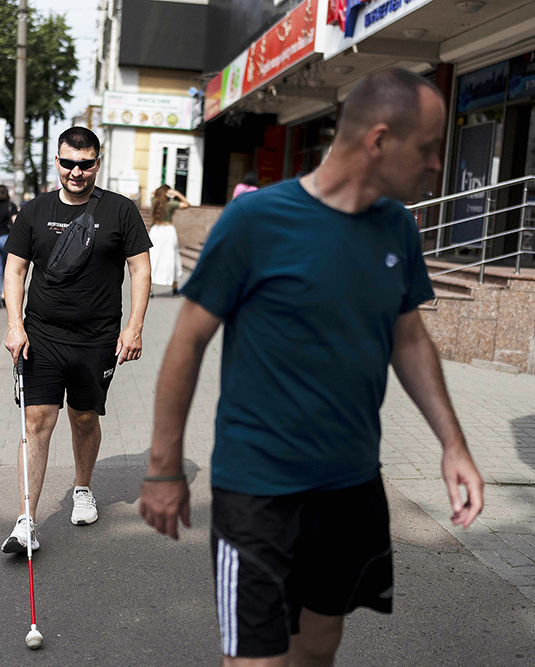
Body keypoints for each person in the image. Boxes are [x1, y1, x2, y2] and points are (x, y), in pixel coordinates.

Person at [139, 69, 484, 666]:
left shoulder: (397, 228)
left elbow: (408, 338)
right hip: (259, 490)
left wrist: (453, 444)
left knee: (320, 647)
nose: (436, 165)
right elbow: (187, 343)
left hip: (350, 485)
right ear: (379, 141)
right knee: (257, 661)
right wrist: (164, 469)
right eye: (428, 149)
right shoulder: (255, 222)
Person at [1, 127, 152, 553]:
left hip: (97, 338)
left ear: (97, 164)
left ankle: (82, 488)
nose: (76, 172)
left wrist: (134, 327)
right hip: (42, 335)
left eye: (85, 164)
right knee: (36, 420)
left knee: (84, 417)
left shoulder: (121, 210)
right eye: (68, 163)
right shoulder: (35, 210)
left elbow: (140, 269)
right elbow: (15, 270)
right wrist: (14, 325)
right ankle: (26, 521)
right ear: (57, 161)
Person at [149, 184, 188, 296]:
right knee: (172, 257)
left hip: (155, 231)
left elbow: (152, 194)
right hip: (168, 232)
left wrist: (160, 192)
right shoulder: (170, 204)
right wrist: (176, 194)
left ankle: (150, 289)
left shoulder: (154, 201)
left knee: (154, 258)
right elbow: (186, 204)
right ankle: (174, 288)